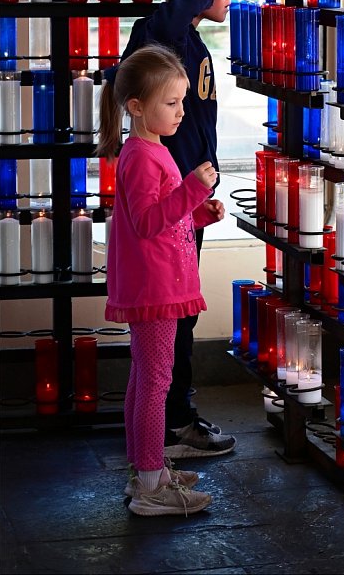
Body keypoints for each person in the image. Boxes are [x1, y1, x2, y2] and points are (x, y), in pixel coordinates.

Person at [113, 0, 236, 458]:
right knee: (172, 322)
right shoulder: (162, 36)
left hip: (185, 201)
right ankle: (171, 427)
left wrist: (199, 195)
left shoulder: (189, 40)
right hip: (170, 204)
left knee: (181, 316)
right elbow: (161, 25)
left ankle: (171, 420)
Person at [99, 45, 225, 516]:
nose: (181, 111)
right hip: (155, 287)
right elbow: (149, 221)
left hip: (158, 282)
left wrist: (198, 214)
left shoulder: (152, 151)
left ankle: (144, 469)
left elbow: (163, 218)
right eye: (170, 103)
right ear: (136, 106)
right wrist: (193, 188)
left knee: (145, 378)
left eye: (182, 101)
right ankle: (151, 485)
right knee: (156, 381)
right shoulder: (140, 157)